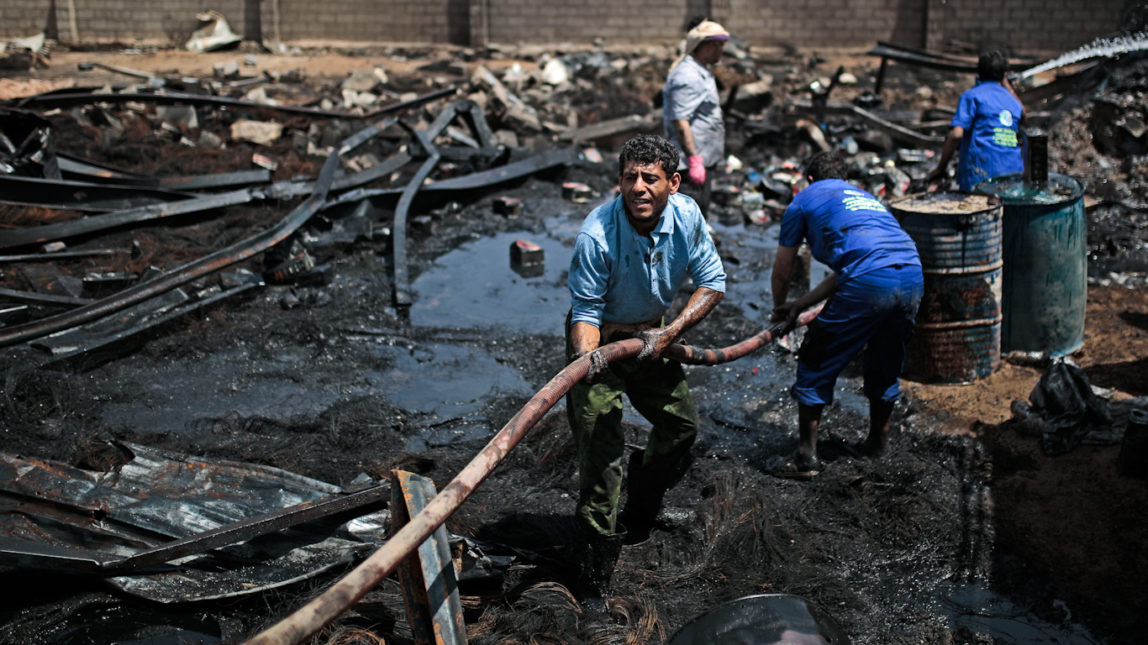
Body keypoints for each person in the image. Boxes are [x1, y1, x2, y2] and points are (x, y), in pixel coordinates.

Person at [566, 134, 725, 603]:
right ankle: (596, 567)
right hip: (602, 340)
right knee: (600, 445)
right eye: (629, 177)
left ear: (673, 183)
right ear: (619, 181)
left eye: (649, 178)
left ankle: (642, 506)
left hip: (655, 336)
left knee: (680, 426)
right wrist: (589, 360)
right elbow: (586, 313)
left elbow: (712, 282)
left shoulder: (688, 215)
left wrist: (669, 332)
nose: (638, 187)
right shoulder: (596, 235)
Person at [770, 151, 923, 478]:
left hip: (869, 281)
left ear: (809, 179)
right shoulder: (866, 199)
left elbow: (783, 267)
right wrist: (802, 303)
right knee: (885, 357)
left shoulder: (803, 200)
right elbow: (851, 267)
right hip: (912, 274)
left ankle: (805, 458)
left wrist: (778, 307)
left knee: (815, 354)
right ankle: (876, 446)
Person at [927, 48, 1024, 192]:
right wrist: (1008, 86)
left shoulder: (971, 96)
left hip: (980, 175)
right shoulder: (1013, 101)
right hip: (1013, 174)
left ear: (978, 73)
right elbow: (1024, 115)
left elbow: (956, 135)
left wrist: (940, 168)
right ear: (1004, 76)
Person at [663, 19, 729, 217]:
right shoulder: (688, 76)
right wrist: (694, 159)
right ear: (709, 47)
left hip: (702, 158)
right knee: (688, 218)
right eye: (720, 47)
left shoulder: (701, 72)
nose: (722, 52)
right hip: (689, 164)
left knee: (697, 216)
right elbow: (680, 120)